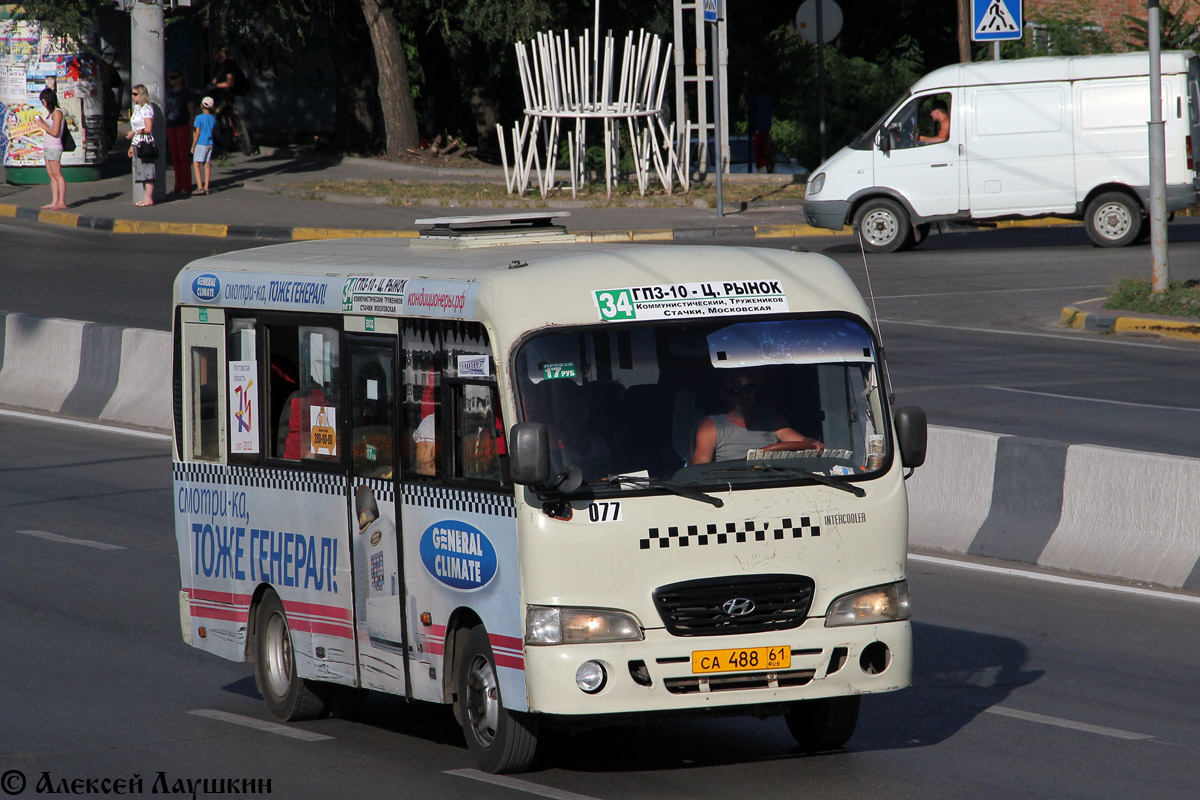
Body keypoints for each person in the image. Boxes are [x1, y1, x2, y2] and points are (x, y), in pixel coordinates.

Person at [691, 371, 822, 464]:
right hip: (731, 489)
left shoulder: (772, 419)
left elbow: (802, 441)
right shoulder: (711, 425)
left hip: (774, 484)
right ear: (723, 394)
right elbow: (700, 469)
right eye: (736, 391)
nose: (744, 396)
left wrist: (813, 443)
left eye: (748, 389)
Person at [31, 88, 67, 210]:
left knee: (57, 174)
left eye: (43, 101)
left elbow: (55, 132)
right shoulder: (51, 113)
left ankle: (61, 202)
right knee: (51, 174)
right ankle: (54, 201)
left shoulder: (57, 113)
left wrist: (42, 126)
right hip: (47, 146)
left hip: (54, 146)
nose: (43, 104)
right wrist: (43, 123)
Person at [164, 70, 196, 195]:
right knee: (175, 157)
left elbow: (191, 112)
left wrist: (193, 129)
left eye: (173, 77)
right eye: (169, 77)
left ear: (180, 79)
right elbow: (166, 110)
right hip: (171, 126)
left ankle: (186, 186)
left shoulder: (186, 93)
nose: (170, 80)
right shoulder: (169, 93)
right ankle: (178, 185)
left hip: (183, 125)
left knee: (183, 157)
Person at [125, 84, 156, 207]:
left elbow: (148, 128)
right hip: (137, 143)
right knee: (141, 171)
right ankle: (145, 197)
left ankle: (148, 198)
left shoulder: (146, 109)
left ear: (142, 94)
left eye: (135, 94)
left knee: (148, 171)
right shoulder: (137, 108)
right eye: (132, 94)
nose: (133, 97)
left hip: (145, 143)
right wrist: (131, 146)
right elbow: (135, 126)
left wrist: (134, 132)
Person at [191, 96, 217, 195]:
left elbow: (197, 133)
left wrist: (193, 145)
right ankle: (206, 187)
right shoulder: (213, 119)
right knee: (206, 165)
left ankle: (200, 187)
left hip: (201, 143)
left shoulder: (199, 118)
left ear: (201, 106)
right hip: (210, 143)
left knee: (196, 164)